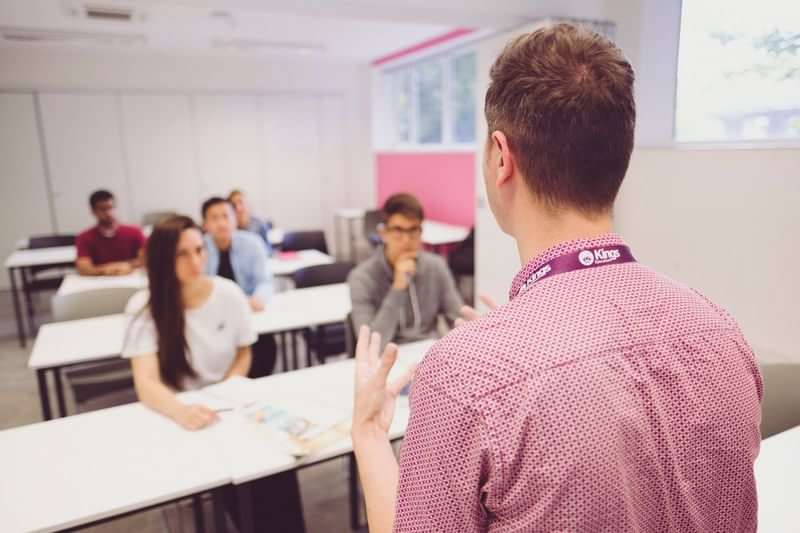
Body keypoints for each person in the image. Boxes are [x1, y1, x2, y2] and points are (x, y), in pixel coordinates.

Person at [351, 23, 762, 533]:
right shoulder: (721, 330)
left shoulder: (464, 375)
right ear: (620, 156)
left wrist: (369, 433)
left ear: (501, 157)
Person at [123, 215, 306, 533]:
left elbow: (244, 350)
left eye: (199, 250)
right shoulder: (144, 307)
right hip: (180, 409)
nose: (195, 261)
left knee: (278, 466)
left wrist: (231, 386)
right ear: (162, 259)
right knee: (237, 480)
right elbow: (146, 382)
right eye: (182, 254)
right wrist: (182, 411)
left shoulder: (228, 293)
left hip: (230, 402)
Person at [347, 193, 463, 345]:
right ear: (383, 234)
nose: (406, 240)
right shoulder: (362, 278)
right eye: (398, 230)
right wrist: (398, 288)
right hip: (386, 359)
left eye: (413, 230)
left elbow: (458, 319)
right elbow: (370, 346)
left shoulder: (436, 267)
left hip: (429, 355)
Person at [202, 197, 279, 377]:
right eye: (214, 218)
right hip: (213, 318)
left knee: (262, 348)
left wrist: (258, 298)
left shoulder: (252, 243)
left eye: (226, 216)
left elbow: (265, 281)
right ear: (205, 224)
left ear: (235, 219)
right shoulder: (199, 249)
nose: (222, 223)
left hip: (248, 313)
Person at [75, 189, 146, 276]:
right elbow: (84, 268)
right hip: (100, 281)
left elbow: (146, 259)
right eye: (103, 209)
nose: (108, 213)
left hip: (131, 278)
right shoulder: (84, 237)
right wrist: (109, 269)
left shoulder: (135, 232)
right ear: (93, 211)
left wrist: (126, 265)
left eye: (111, 208)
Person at [228, 189, 273, 254]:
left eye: (240, 202)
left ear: (247, 204)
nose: (238, 208)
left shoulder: (259, 224)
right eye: (234, 205)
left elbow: (268, 251)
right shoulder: (228, 227)